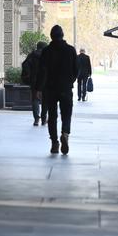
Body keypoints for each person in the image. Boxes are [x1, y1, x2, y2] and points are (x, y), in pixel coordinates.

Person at [36, 25, 78, 155]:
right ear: (62, 35)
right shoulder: (70, 50)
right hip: (65, 88)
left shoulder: (46, 51)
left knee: (52, 116)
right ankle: (65, 133)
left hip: (50, 89)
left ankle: (54, 143)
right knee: (67, 114)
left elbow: (42, 71)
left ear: (51, 36)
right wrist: (70, 81)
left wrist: (39, 89)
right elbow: (76, 69)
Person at [22, 41, 48, 126]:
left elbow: (25, 65)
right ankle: (44, 119)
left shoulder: (32, 55)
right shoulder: (47, 56)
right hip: (45, 81)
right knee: (45, 100)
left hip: (34, 80)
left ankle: (36, 119)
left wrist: (28, 76)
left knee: (35, 99)